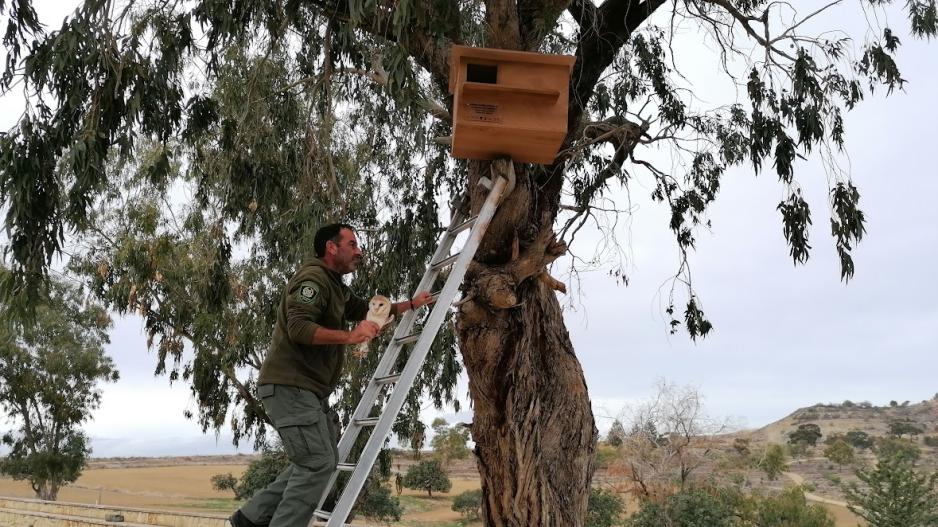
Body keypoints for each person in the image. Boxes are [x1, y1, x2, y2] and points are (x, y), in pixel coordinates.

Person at [228, 223, 434, 527]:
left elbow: (367, 310)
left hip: (306, 390)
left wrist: (410, 304)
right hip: (290, 386)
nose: (359, 251)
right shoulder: (313, 279)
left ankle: (250, 518)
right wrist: (351, 337)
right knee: (317, 463)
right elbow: (299, 327)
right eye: (352, 244)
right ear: (331, 247)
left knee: (320, 461)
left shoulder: (335, 285)